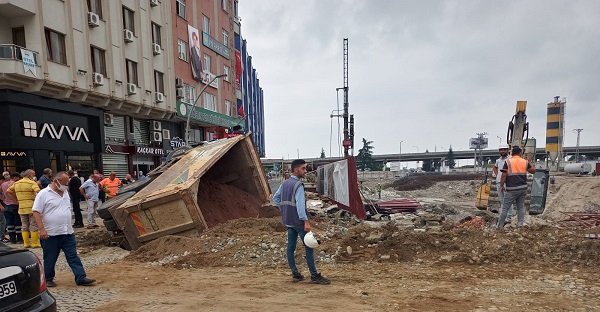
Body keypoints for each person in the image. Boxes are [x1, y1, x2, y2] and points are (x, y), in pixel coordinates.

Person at [32, 171, 96, 287]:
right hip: (51, 233)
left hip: (67, 231)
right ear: (56, 181)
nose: (67, 185)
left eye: (68, 182)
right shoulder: (43, 194)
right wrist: (41, 229)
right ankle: (48, 278)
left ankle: (80, 277)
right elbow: (36, 211)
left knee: (73, 256)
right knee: (50, 257)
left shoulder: (65, 192)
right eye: (65, 182)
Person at [273, 159, 330, 285]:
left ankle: (296, 274)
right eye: (303, 168)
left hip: (288, 220)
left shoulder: (285, 184)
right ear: (296, 169)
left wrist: (284, 209)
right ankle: (314, 276)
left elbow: (275, 198)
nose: (306, 171)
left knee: (291, 247)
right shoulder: (298, 185)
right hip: (298, 221)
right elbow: (300, 205)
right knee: (309, 246)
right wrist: (306, 222)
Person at [497, 146, 536, 228]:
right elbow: (533, 171)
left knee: (505, 208)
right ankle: (520, 224)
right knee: (520, 207)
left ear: (511, 153)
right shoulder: (524, 162)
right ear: (520, 153)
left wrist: (501, 185)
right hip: (522, 188)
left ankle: (499, 226)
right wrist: (529, 162)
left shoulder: (508, 162)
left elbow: (504, 175)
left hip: (511, 189)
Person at [7, 169, 41, 247]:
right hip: (32, 206)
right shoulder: (32, 183)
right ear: (29, 175)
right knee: (33, 225)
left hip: (21, 207)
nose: (34, 176)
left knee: (24, 225)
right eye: (33, 174)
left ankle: (26, 243)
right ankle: (34, 243)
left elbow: (8, 191)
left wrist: (15, 201)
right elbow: (38, 192)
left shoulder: (17, 183)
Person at [0, 173, 22, 243]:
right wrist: (16, 201)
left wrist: (4, 199)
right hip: (15, 204)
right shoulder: (15, 184)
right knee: (17, 222)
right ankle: (19, 238)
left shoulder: (2, 185)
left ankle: (12, 238)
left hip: (6, 204)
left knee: (9, 222)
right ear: (15, 177)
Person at [493, 144, 513, 221]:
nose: (503, 151)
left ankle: (509, 216)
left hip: (507, 182)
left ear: (508, 150)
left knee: (508, 199)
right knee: (502, 200)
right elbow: (495, 167)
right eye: (501, 150)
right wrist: (498, 175)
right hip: (499, 182)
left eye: (504, 149)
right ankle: (504, 215)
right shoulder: (498, 160)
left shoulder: (511, 159)